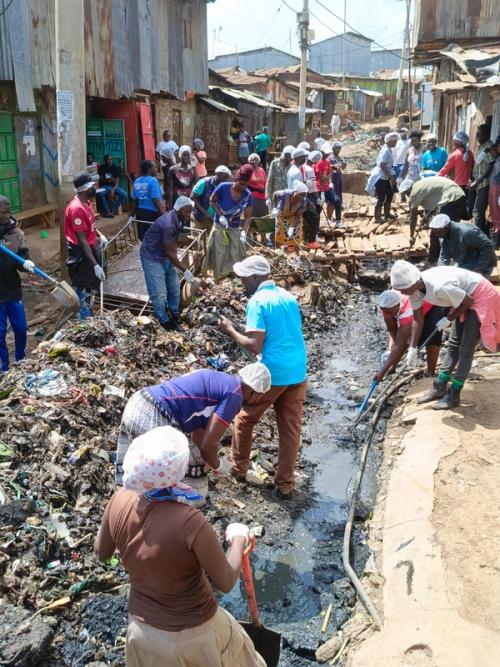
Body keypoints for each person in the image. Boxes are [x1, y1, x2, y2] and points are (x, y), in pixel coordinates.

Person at [96, 427, 266, 667]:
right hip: (195, 635)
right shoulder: (190, 523)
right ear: (179, 469)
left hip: (143, 633)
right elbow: (226, 581)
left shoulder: (119, 500)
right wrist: (238, 539)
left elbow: (102, 553)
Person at [219, 255, 308, 498]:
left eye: (244, 278)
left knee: (245, 419)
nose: (241, 283)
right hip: (298, 370)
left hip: (273, 373)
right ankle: (285, 484)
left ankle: (238, 468)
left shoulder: (257, 301)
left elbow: (255, 346)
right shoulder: (288, 297)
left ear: (256, 277)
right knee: (290, 430)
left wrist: (230, 330)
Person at [116, 363, 271, 489]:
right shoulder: (235, 395)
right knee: (176, 471)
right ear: (255, 392)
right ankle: (180, 514)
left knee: (131, 472)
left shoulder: (220, 380)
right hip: (155, 415)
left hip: (138, 401)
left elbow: (200, 437)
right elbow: (208, 445)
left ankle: (122, 509)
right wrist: (219, 466)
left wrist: (206, 459)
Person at [390, 260, 500, 409]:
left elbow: (468, 301)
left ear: (413, 283)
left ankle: (454, 395)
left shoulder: (438, 286)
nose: (401, 293)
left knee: (465, 348)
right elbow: (418, 319)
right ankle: (439, 386)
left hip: (480, 296)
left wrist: (448, 319)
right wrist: (413, 348)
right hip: (462, 298)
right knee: (454, 343)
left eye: (402, 289)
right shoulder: (414, 290)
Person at [140, 196, 195, 330]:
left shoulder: (177, 219)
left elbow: (172, 246)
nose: (189, 215)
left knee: (174, 288)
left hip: (165, 255)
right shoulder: (169, 224)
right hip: (152, 257)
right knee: (159, 293)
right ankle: (165, 321)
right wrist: (185, 270)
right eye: (187, 212)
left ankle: (174, 315)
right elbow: (170, 252)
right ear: (180, 210)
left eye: (190, 212)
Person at [375, 288, 446, 380]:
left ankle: (431, 373)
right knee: (403, 340)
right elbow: (392, 330)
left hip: (433, 303)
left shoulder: (407, 311)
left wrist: (383, 370)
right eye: (384, 311)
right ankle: (392, 367)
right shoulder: (387, 306)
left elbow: (401, 343)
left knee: (431, 335)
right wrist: (389, 353)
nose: (386, 315)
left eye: (389, 312)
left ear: (397, 306)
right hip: (416, 304)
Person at [64, 172, 106, 320]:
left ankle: (88, 310)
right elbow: (81, 240)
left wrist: (100, 235)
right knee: (82, 284)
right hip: (80, 252)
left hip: (89, 248)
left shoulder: (86, 203)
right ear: (85, 188)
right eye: (93, 185)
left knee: (91, 285)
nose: (95, 187)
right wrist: (95, 264)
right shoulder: (76, 209)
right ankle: (83, 318)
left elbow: (89, 226)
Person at [0, 195, 34, 372]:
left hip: (13, 291)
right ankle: (3, 368)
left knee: (20, 328)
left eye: (8, 211)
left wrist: (26, 264)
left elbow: (23, 259)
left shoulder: (17, 234)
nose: (7, 215)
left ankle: (20, 359)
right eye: (3, 212)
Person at [204, 165, 252, 279]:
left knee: (236, 253)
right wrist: (220, 216)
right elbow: (212, 200)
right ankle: (218, 279)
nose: (243, 187)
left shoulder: (248, 195)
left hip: (234, 227)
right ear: (236, 179)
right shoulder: (223, 187)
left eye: (246, 185)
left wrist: (244, 232)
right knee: (220, 253)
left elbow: (248, 216)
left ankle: (234, 279)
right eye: (241, 183)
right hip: (220, 225)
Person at [429, 213, 496, 277]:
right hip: (465, 262)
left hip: (482, 264)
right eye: (435, 233)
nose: (437, 235)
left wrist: (478, 269)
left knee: (471, 287)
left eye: (438, 233)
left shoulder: (466, 232)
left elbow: (488, 246)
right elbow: (444, 256)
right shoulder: (444, 235)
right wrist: (440, 273)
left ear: (446, 228)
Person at [406, 175, 468, 241]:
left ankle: (437, 250)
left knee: (438, 230)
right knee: (452, 228)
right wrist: (426, 216)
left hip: (450, 197)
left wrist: (411, 236)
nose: (407, 196)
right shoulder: (420, 185)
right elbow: (436, 203)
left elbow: (413, 218)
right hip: (459, 194)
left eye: (406, 193)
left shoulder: (414, 193)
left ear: (408, 191)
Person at [438, 131, 475, 217]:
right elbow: (473, 167)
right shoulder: (470, 153)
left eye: (454, 140)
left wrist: (434, 178)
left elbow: (444, 170)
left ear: (456, 142)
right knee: (460, 209)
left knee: (451, 209)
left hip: (456, 187)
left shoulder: (455, 155)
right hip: (467, 187)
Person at [366, 132, 398, 222]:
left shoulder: (388, 149)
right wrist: (390, 176)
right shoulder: (385, 150)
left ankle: (387, 214)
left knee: (390, 194)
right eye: (395, 141)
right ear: (390, 141)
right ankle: (377, 217)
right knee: (381, 197)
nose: (396, 143)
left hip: (385, 176)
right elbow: (382, 164)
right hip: (381, 177)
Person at [469, 124, 495, 234]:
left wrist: (477, 181)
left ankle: (476, 238)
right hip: (478, 184)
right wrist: (473, 179)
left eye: (480, 135)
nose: (478, 138)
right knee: (477, 210)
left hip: (484, 184)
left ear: (486, 135)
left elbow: (491, 165)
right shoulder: (481, 146)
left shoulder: (488, 147)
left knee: (478, 211)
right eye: (477, 135)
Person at [191, 165, 231, 232]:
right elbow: (193, 198)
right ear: (217, 174)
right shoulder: (204, 182)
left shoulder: (224, 186)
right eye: (224, 177)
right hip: (199, 216)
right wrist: (205, 213)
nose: (225, 180)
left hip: (213, 218)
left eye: (226, 178)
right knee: (198, 238)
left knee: (210, 240)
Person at [130, 160, 163, 240]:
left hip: (140, 213)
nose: (156, 169)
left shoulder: (137, 181)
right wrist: (163, 214)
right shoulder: (153, 180)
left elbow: (135, 201)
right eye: (154, 167)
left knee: (143, 237)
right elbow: (155, 199)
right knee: (154, 237)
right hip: (152, 213)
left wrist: (131, 216)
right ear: (149, 169)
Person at [272, 181, 308, 251]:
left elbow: (298, 216)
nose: (304, 197)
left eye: (305, 194)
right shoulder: (285, 194)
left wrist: (292, 227)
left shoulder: (303, 202)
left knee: (296, 236)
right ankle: (278, 252)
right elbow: (275, 194)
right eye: (302, 194)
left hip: (294, 217)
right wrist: (275, 207)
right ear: (296, 192)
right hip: (282, 216)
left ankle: (297, 256)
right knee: (279, 235)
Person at [301, 150, 322, 248]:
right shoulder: (309, 169)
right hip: (308, 195)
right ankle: (311, 241)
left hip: (305, 194)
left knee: (306, 218)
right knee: (314, 217)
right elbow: (312, 187)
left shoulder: (303, 167)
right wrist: (317, 197)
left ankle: (306, 239)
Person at [167, 145, 197, 210]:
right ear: (180, 155)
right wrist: (170, 205)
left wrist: (194, 166)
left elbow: (197, 183)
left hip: (189, 201)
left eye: (188, 155)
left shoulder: (192, 169)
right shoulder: (173, 169)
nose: (186, 157)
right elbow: (170, 189)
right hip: (177, 200)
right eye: (184, 155)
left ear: (190, 156)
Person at [265, 145, 294, 209]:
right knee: (274, 216)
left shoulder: (291, 166)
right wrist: (267, 197)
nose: (292, 158)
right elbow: (269, 180)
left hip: (286, 198)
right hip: (275, 197)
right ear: (285, 154)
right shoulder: (275, 163)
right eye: (290, 156)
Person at [314, 142, 336, 225]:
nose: (327, 155)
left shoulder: (327, 162)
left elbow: (330, 174)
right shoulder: (318, 162)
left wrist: (326, 177)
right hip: (319, 188)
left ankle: (329, 218)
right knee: (319, 207)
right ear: (322, 152)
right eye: (326, 153)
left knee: (333, 201)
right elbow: (321, 178)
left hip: (326, 187)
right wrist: (326, 177)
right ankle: (317, 226)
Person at [329, 141, 346, 228]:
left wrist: (342, 165)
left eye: (339, 149)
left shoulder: (339, 157)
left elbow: (343, 166)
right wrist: (336, 166)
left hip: (338, 176)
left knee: (339, 194)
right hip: (333, 177)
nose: (338, 150)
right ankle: (330, 216)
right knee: (333, 197)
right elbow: (330, 167)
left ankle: (336, 214)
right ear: (334, 149)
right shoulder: (331, 158)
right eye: (337, 149)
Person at [247, 153, 268, 219]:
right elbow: (246, 185)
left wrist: (265, 190)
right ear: (249, 161)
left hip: (263, 196)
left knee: (264, 215)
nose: (254, 161)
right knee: (254, 216)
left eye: (256, 160)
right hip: (253, 196)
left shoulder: (261, 170)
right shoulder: (248, 171)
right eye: (252, 160)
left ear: (259, 161)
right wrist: (257, 189)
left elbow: (266, 181)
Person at [489, 135, 500, 249]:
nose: (496, 149)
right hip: (494, 186)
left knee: (497, 215)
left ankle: (496, 243)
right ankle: (495, 242)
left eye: (497, 146)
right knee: (493, 213)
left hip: (498, 188)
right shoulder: (498, 158)